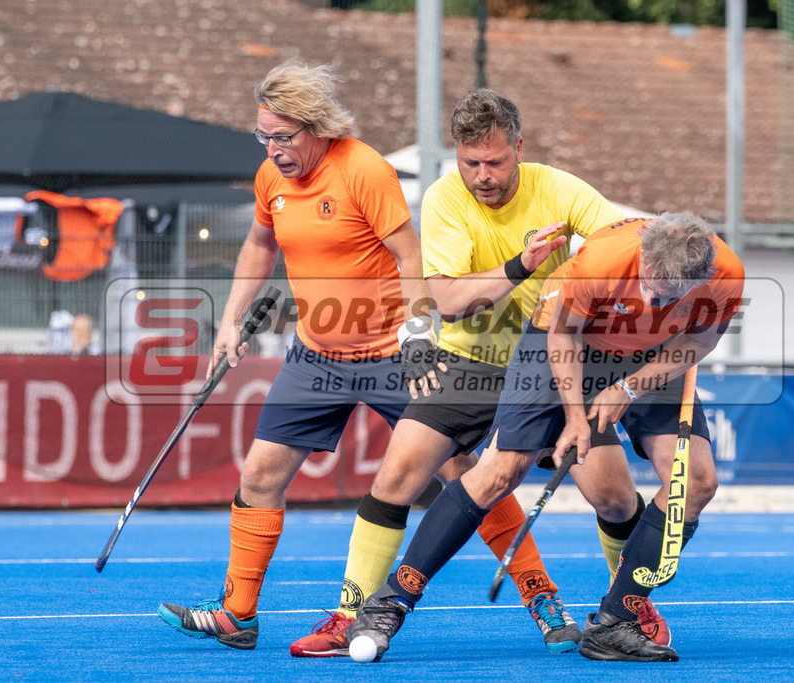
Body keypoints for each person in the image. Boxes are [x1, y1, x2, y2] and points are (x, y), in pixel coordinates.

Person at [156, 62, 560, 653]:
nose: (273, 149)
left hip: (395, 354)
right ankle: (238, 614)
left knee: (463, 473)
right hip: (316, 356)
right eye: (263, 136)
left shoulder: (364, 170)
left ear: (317, 127)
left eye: (284, 136)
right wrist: (230, 321)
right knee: (260, 475)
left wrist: (420, 335)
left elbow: (409, 255)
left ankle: (542, 599)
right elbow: (259, 242)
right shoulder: (271, 177)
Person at [293, 88, 668, 658]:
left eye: (495, 161)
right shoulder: (446, 199)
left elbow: (626, 244)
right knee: (397, 475)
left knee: (615, 500)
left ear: (518, 148)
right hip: (473, 362)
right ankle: (352, 615)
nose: (484, 175)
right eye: (472, 163)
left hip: (554, 359)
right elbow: (446, 301)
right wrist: (522, 266)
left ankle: (629, 608)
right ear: (457, 155)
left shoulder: (562, 190)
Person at [349, 212, 745, 662]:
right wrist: (576, 417)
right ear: (643, 256)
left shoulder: (726, 275)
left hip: (657, 353)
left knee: (695, 482)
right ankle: (390, 603)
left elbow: (699, 343)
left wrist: (630, 386)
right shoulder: (601, 261)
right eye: (650, 286)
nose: (654, 301)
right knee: (500, 472)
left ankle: (615, 623)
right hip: (564, 339)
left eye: (670, 296)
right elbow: (563, 336)